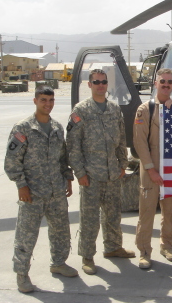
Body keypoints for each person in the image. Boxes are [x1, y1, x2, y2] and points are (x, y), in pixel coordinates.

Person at [4, 85, 78, 293]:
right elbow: (12, 161)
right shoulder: (23, 128)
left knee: (61, 231)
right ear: (35, 101)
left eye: (51, 100)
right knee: (26, 235)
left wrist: (67, 178)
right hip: (32, 192)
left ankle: (58, 262)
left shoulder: (56, 127)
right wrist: (21, 185)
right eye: (43, 100)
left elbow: (62, 158)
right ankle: (22, 274)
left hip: (56, 190)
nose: (48, 104)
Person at [66, 69, 135, 275]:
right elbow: (72, 145)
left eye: (104, 82)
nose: (100, 85)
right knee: (89, 218)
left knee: (113, 214)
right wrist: (80, 173)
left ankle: (113, 247)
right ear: (89, 85)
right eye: (96, 82)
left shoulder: (114, 110)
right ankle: (87, 256)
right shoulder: (81, 111)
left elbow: (122, 140)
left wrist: (123, 165)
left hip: (112, 174)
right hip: (91, 176)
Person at [133, 68, 172, 269]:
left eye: (169, 82)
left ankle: (166, 245)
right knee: (147, 212)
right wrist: (151, 169)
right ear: (155, 83)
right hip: (150, 169)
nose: (166, 85)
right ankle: (144, 251)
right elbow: (139, 142)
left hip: (170, 170)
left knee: (169, 212)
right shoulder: (145, 109)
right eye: (163, 81)